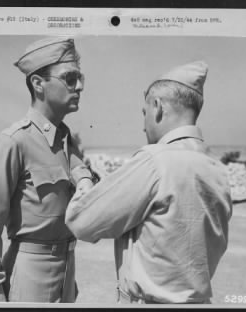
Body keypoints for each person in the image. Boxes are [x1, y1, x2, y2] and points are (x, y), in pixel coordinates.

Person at [65, 61, 232, 304]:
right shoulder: (217, 169)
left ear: (157, 107)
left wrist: (82, 176)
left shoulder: (155, 161)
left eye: (144, 114)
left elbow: (82, 222)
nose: (143, 126)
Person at [0, 37, 93, 303]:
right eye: (70, 78)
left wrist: (84, 179)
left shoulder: (64, 140)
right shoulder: (12, 142)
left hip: (67, 271)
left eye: (80, 78)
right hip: (30, 274)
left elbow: (76, 168)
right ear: (38, 84)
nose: (79, 86)